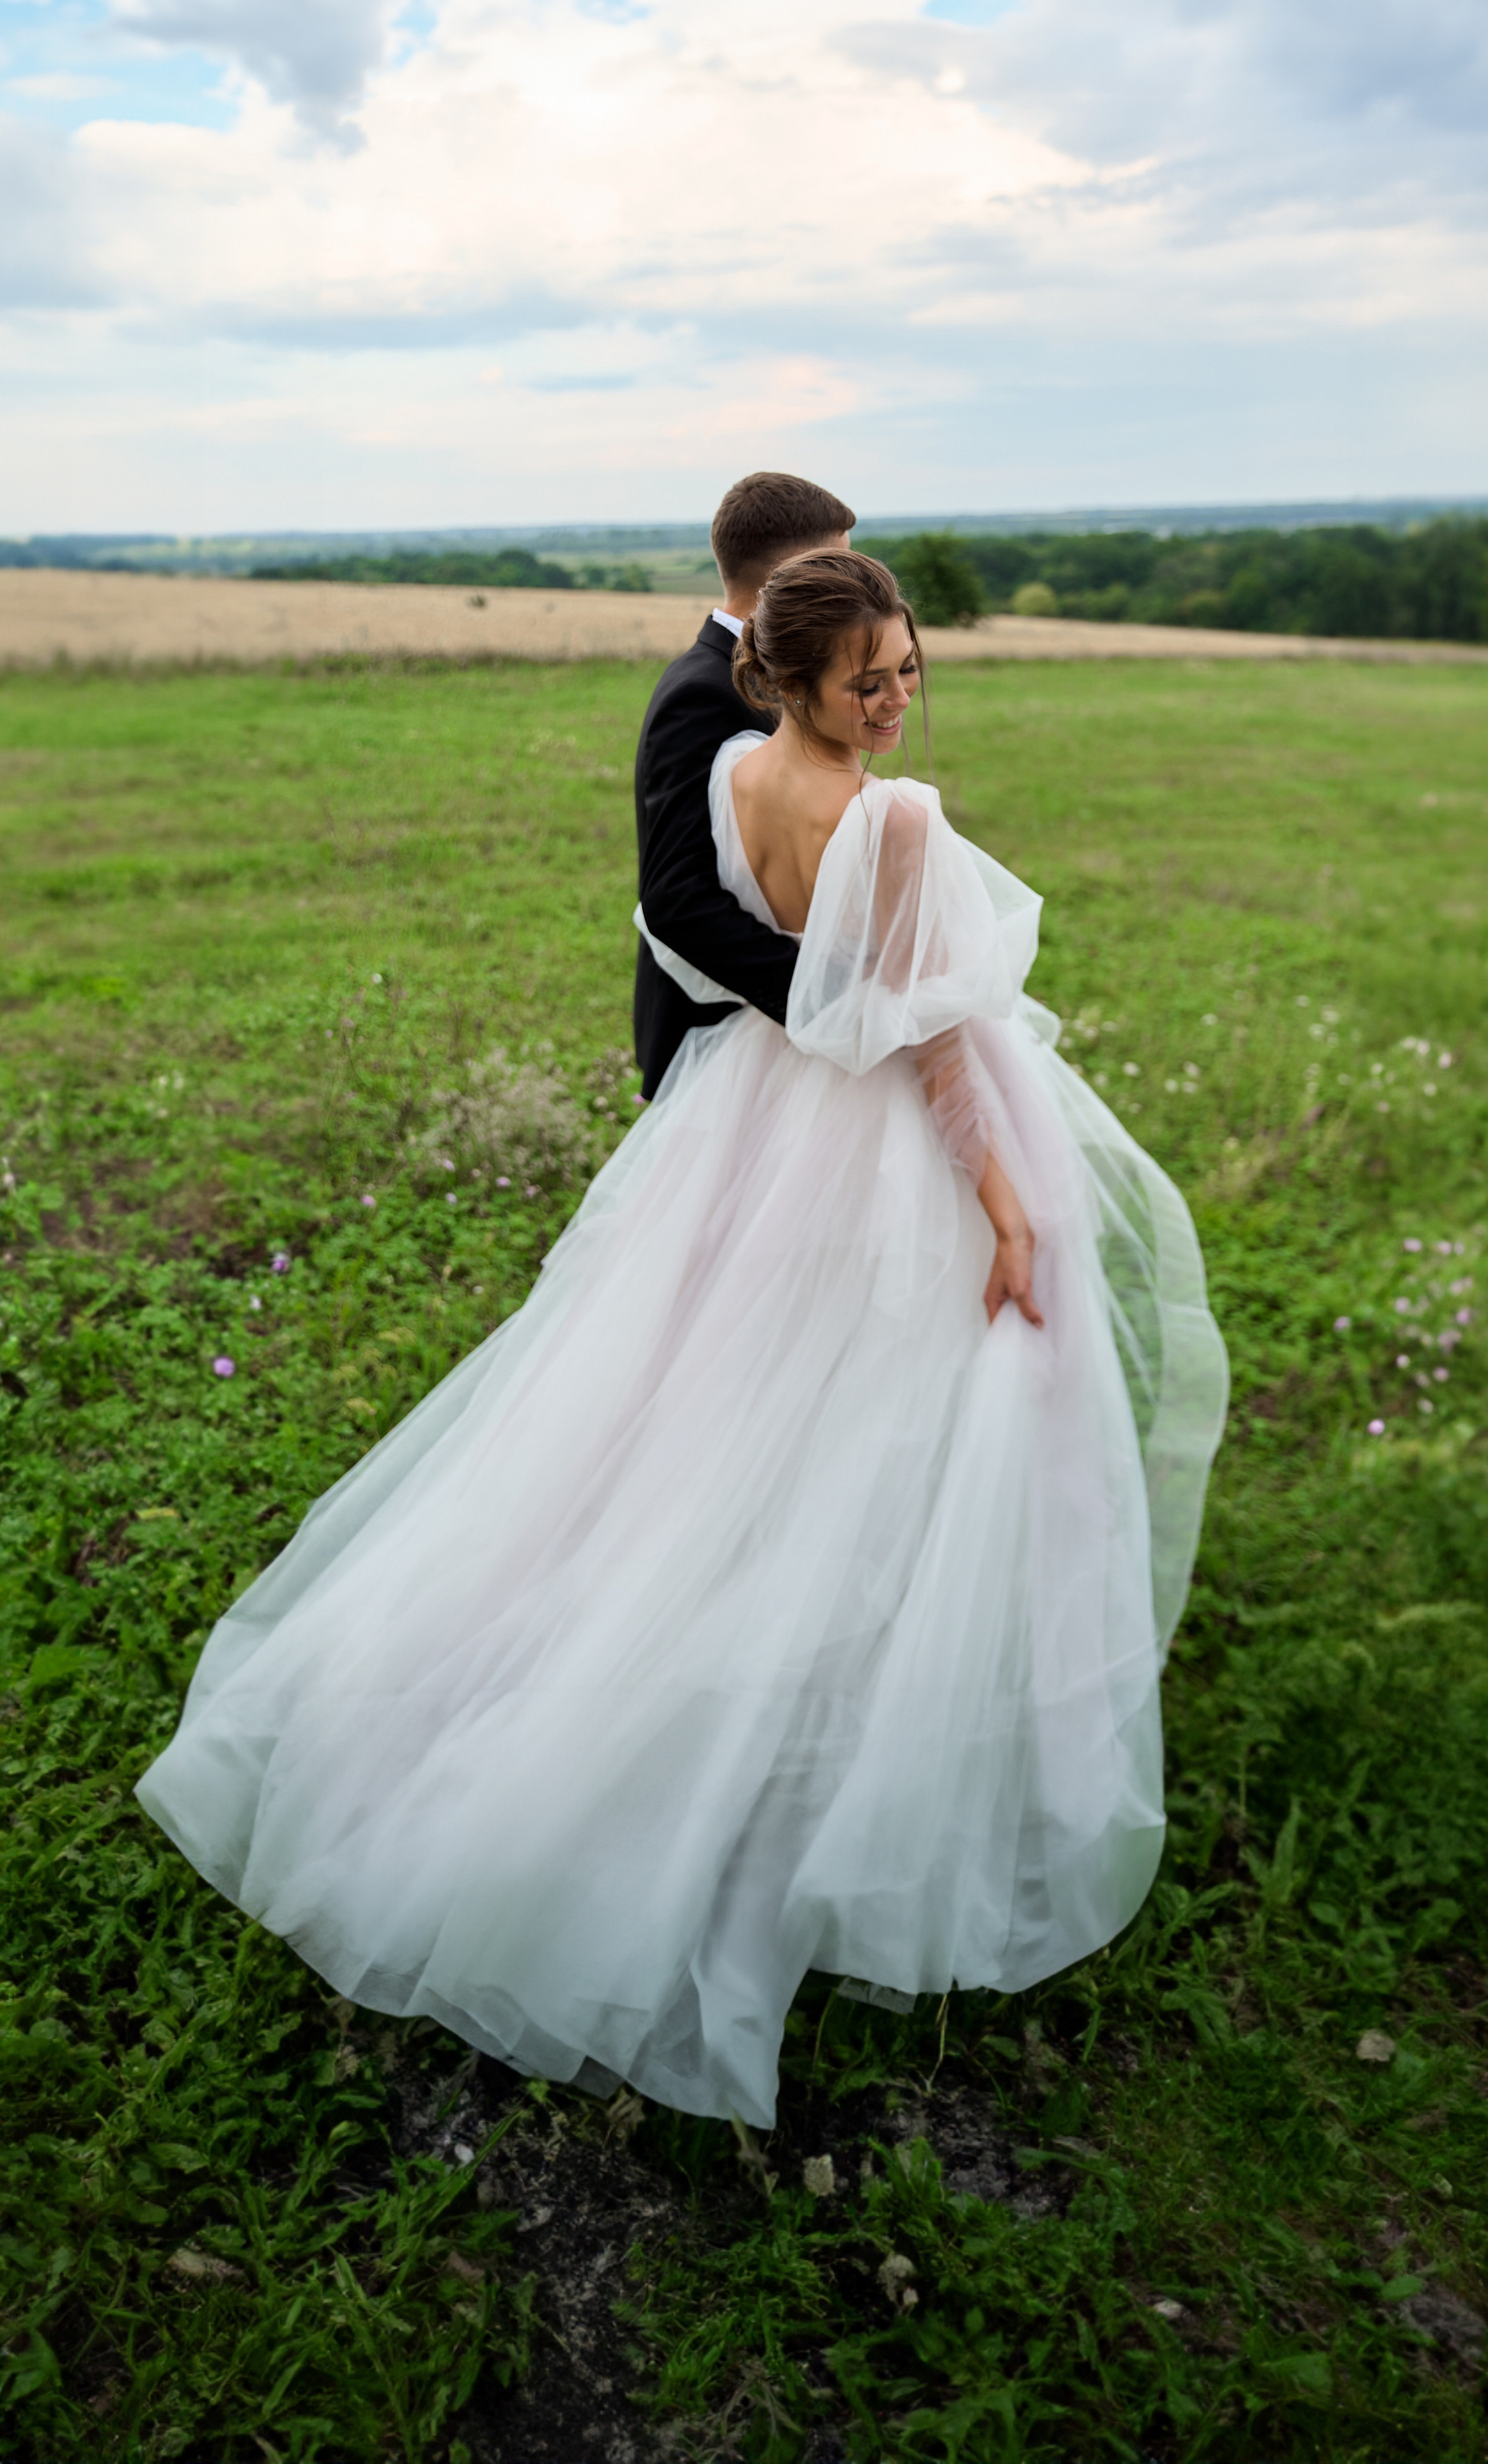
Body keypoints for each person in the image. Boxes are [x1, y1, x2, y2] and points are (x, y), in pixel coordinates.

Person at [135, 549, 1227, 2129]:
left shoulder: (726, 771)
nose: (899, 696)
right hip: (870, 1149)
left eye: (911, 666)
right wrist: (1001, 1201)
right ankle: (811, 1740)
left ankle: (718, 1671)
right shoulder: (896, 817)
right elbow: (925, 1046)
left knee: (719, 1413)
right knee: (867, 1422)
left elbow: (736, 950)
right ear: (797, 678)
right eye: (872, 679)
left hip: (747, 1119)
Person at [632, 470, 854, 1099]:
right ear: (788, 579)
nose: (849, 589)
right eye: (836, 570)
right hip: (725, 1039)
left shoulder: (776, 675)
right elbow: (676, 898)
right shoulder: (702, 692)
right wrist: (822, 1001)